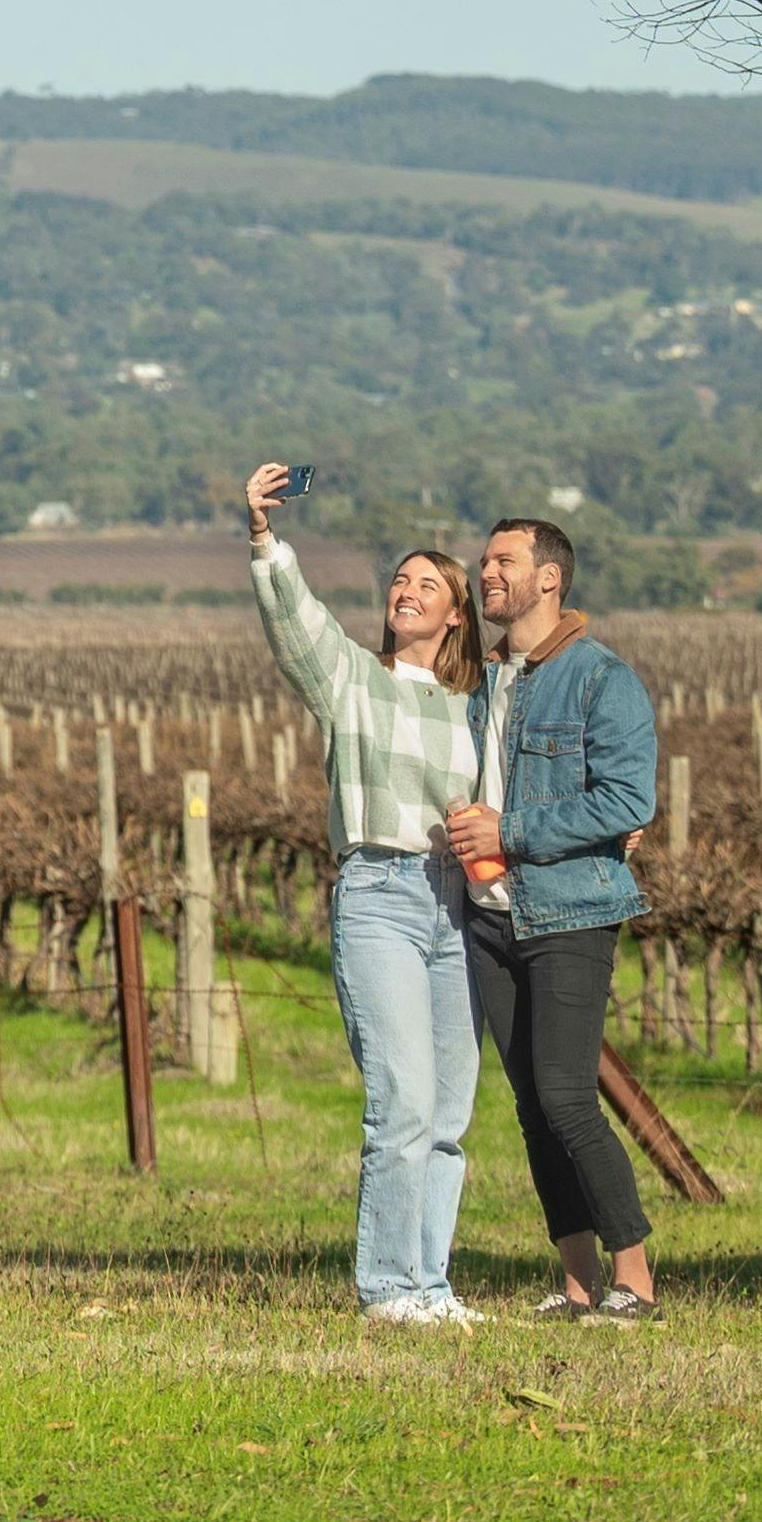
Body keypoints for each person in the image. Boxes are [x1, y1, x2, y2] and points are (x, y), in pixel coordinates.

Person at [236, 463, 486, 1327]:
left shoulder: (477, 709)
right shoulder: (351, 679)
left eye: (428, 583)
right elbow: (294, 622)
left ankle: (432, 1282)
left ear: (457, 614)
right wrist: (266, 537)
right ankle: (387, 1286)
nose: (406, 590)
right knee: (403, 1099)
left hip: (457, 906)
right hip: (380, 891)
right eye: (400, 579)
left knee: (450, 1109)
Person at [438, 513, 663, 1321]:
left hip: (568, 911)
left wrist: (513, 830)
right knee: (533, 1106)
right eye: (484, 560)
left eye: (504, 560)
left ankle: (634, 1276)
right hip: (489, 915)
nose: (486, 570)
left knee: (568, 1097)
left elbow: (629, 797)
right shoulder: (476, 680)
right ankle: (577, 1283)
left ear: (549, 578)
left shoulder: (602, 679)